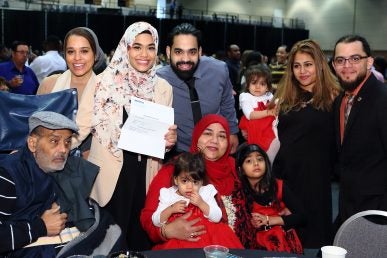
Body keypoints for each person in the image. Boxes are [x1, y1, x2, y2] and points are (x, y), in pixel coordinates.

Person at [88, 21, 177, 250]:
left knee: (139, 243)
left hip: (145, 175)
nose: (144, 54)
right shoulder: (101, 83)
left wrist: (168, 142)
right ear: (126, 47)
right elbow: (79, 128)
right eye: (137, 46)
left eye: (150, 47)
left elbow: (161, 138)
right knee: (109, 244)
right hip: (111, 177)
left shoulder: (163, 88)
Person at [271, 39, 340, 249]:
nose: (302, 71)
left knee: (314, 242)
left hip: (317, 182)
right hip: (286, 179)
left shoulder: (334, 98)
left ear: (319, 65)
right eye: (297, 65)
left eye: (308, 64)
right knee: (286, 242)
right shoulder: (285, 98)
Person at [141, 114, 245, 249]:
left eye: (222, 136)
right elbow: (148, 217)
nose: (214, 140)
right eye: (208, 133)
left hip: (229, 246)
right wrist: (166, 231)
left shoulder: (236, 168)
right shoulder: (176, 168)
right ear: (196, 137)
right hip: (181, 247)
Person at [157, 23, 239, 157]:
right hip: (179, 152)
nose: (185, 59)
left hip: (215, 151)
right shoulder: (159, 80)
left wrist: (232, 131)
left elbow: (227, 102)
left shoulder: (219, 70)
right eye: (178, 52)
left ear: (200, 52)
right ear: (168, 51)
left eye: (192, 52)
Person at [331, 35, 387, 226]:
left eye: (355, 58)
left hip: (378, 212)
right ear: (334, 65)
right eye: (340, 60)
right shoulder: (341, 100)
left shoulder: (382, 99)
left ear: (369, 61)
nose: (347, 65)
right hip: (348, 206)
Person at [0, 111, 72, 257]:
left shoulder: (59, 168)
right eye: (54, 141)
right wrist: (41, 226)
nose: (64, 149)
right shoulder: (7, 175)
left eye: (67, 141)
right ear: (33, 144)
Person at [151, 152, 242, 249]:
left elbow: (217, 217)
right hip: (180, 240)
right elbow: (155, 221)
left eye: (195, 182)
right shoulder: (168, 194)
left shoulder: (205, 192)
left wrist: (201, 203)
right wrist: (171, 209)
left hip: (209, 237)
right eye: (184, 181)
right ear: (176, 180)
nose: (190, 187)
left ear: (201, 182)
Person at [37, 27, 104, 155]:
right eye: (71, 51)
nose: (77, 58)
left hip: (85, 167)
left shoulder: (105, 91)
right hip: (44, 162)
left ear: (95, 55)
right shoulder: (49, 84)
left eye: (84, 51)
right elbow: (35, 126)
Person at [234, 143, 305, 253]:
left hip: (282, 241)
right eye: (249, 161)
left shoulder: (279, 186)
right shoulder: (240, 192)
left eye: (260, 159)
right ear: (241, 170)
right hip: (255, 243)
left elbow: (302, 216)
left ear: (266, 164)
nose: (256, 163)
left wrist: (270, 220)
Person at [238, 64, 278, 162]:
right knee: (261, 155)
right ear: (247, 85)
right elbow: (250, 115)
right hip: (256, 131)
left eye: (262, 84)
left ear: (268, 87)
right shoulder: (246, 97)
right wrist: (268, 112)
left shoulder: (269, 96)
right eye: (254, 83)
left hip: (269, 130)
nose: (257, 87)